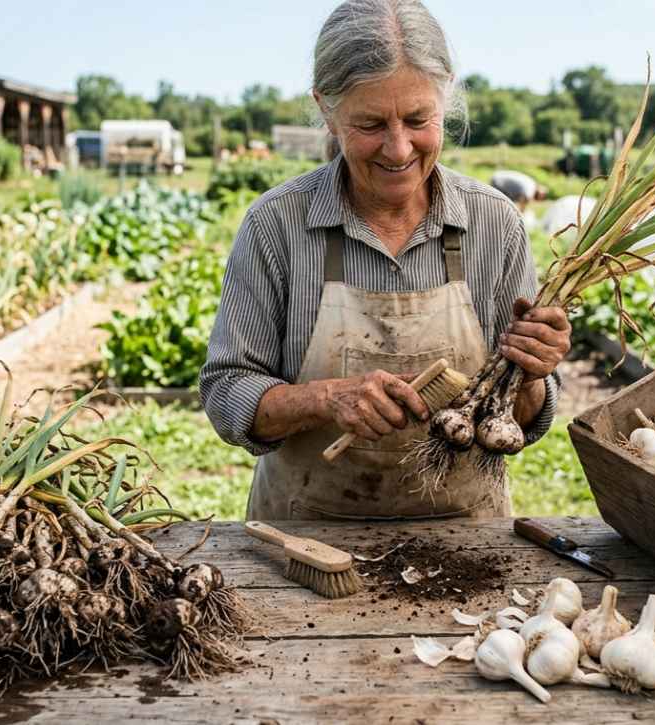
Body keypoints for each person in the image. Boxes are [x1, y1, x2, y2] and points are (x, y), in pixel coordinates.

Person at [200, 0, 571, 521]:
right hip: (307, 536)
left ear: (445, 98)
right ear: (326, 110)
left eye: (418, 119)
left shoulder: (494, 223)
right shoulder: (277, 224)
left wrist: (531, 372)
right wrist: (325, 399)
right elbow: (227, 393)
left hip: (468, 537)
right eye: (371, 124)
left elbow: (523, 416)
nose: (398, 149)